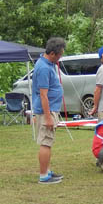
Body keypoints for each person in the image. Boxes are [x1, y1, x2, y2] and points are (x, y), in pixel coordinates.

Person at [32, 37, 66, 184]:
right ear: (52, 53)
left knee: (48, 142)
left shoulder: (47, 64)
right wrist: (48, 117)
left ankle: (47, 170)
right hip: (46, 110)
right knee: (46, 142)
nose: (60, 58)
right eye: (59, 55)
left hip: (51, 108)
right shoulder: (44, 68)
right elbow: (43, 95)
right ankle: (43, 175)